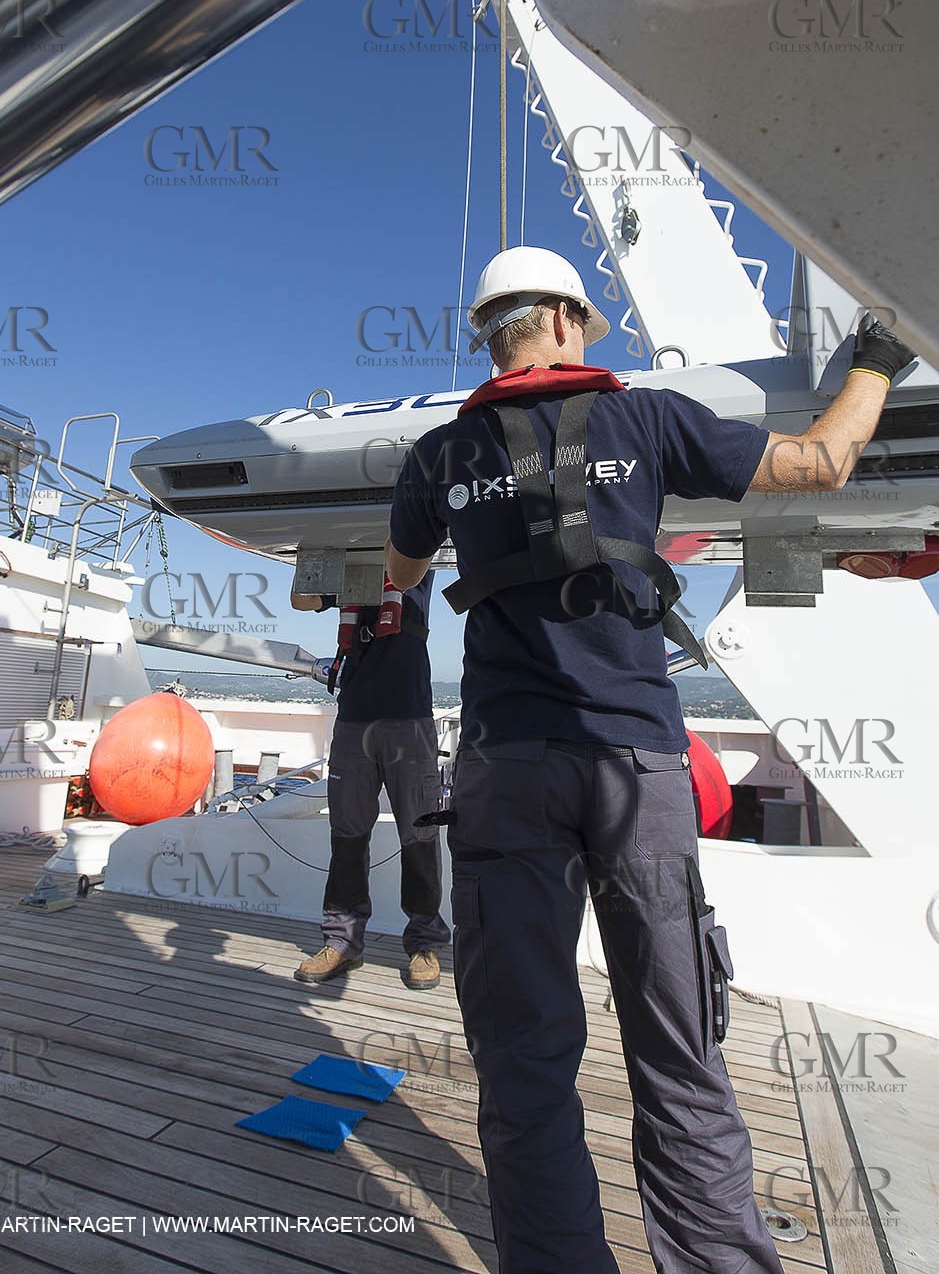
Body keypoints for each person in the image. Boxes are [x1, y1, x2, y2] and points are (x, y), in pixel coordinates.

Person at [384, 244, 916, 1274]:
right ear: (568, 322)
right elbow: (817, 466)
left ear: (490, 335)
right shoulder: (646, 418)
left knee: (523, 1064)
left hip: (505, 772)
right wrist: (876, 364)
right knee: (679, 1054)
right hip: (636, 765)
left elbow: (402, 569)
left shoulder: (437, 454)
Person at [291, 571, 451, 989]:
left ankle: (425, 942)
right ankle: (342, 942)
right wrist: (314, 554)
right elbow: (302, 600)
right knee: (347, 837)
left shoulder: (416, 561)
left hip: (409, 718)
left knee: (420, 837)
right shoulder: (350, 568)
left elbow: (421, 539)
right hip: (354, 719)